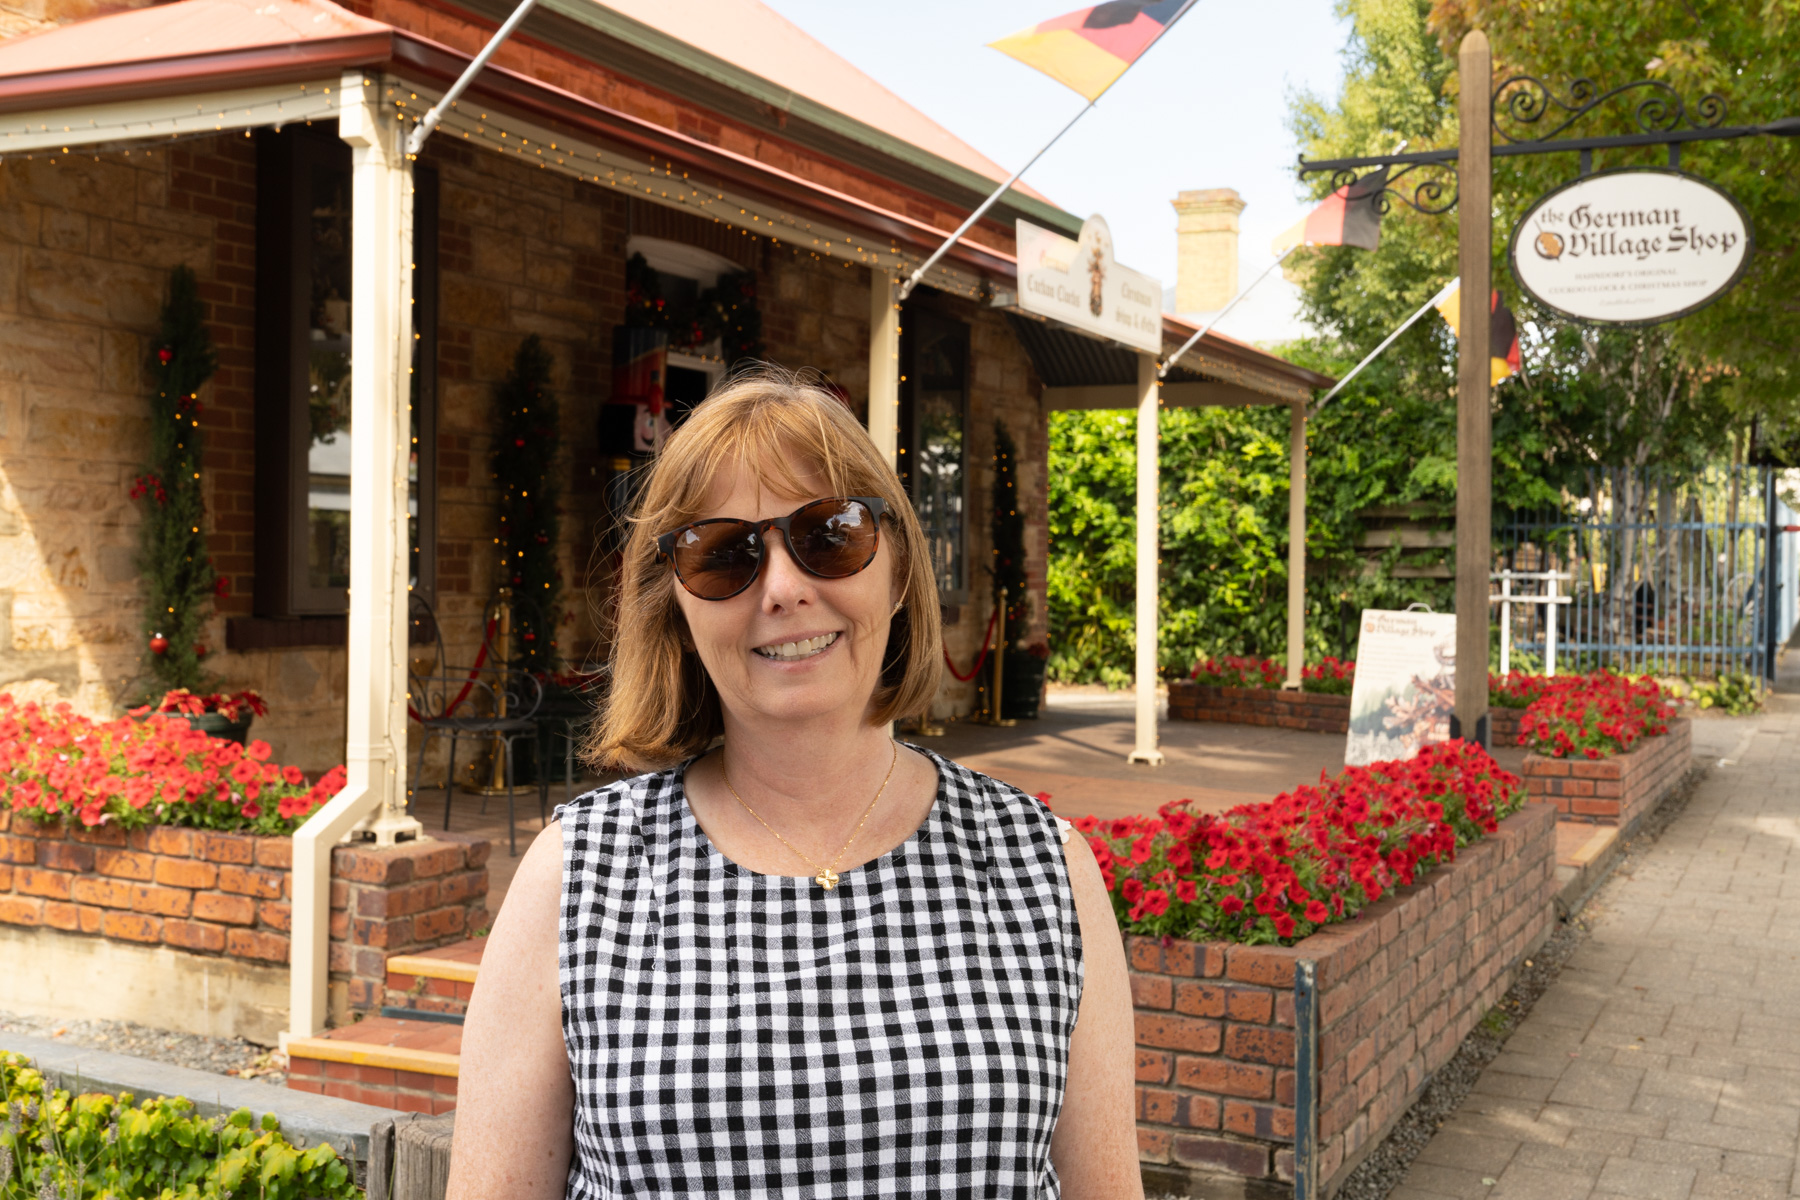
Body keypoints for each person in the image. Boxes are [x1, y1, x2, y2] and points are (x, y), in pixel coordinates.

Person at [447, 371, 1138, 1199]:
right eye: (723, 553)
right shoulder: (580, 873)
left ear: (898, 563)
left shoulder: (1039, 867)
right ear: (674, 605)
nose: (782, 588)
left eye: (829, 533)